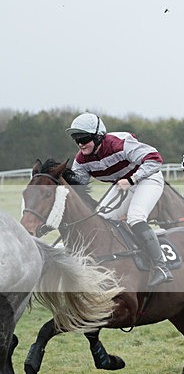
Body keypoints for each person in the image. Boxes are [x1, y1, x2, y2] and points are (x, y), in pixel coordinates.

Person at [67, 112, 174, 286]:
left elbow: (155, 159)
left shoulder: (120, 144)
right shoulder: (81, 160)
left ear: (98, 137)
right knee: (102, 220)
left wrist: (133, 179)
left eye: (84, 139)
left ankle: (161, 266)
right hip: (123, 185)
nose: (80, 144)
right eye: (76, 139)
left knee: (135, 217)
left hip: (148, 179)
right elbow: (76, 186)